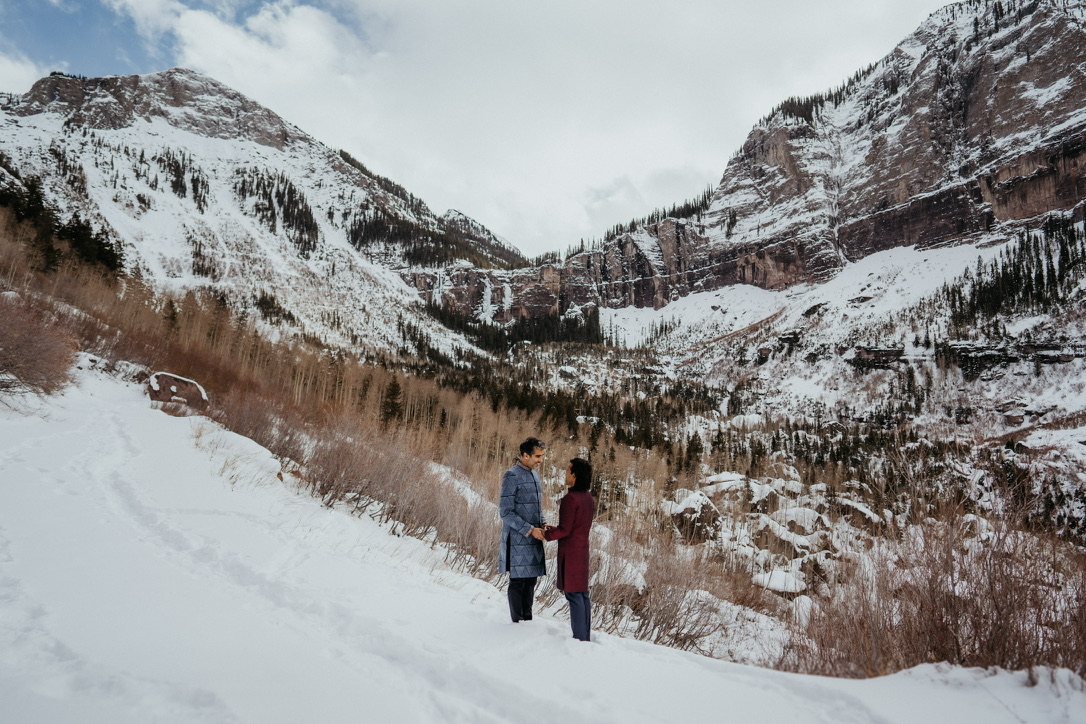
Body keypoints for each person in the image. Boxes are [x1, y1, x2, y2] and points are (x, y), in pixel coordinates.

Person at [543, 457, 595, 641]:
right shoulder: (588, 498)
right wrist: (554, 530)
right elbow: (576, 526)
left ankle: (580, 639)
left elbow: (565, 530)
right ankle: (585, 637)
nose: (565, 474)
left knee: (573, 594)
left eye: (567, 471)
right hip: (582, 551)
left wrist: (545, 535)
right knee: (582, 594)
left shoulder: (570, 499)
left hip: (571, 553)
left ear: (574, 475)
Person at [498, 437, 547, 622]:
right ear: (525, 455)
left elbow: (538, 507)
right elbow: (505, 512)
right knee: (518, 581)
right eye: (537, 456)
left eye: (542, 456)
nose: (541, 460)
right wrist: (529, 529)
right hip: (518, 538)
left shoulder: (535, 475)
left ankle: (528, 622)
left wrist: (543, 523)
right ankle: (516, 624)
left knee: (531, 580)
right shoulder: (511, 475)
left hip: (534, 537)